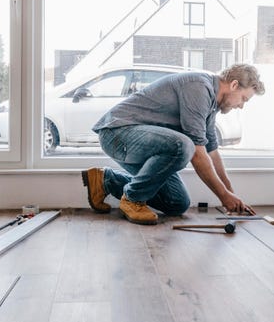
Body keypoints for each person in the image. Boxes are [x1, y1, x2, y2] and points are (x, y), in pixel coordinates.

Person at [81, 63, 264, 225]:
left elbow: (212, 152)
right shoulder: (199, 87)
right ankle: (132, 200)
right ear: (234, 85)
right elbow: (197, 153)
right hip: (117, 134)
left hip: (136, 143)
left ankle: (106, 180)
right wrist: (223, 196)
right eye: (244, 99)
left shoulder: (211, 104)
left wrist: (232, 196)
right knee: (183, 145)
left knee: (177, 203)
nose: (241, 106)